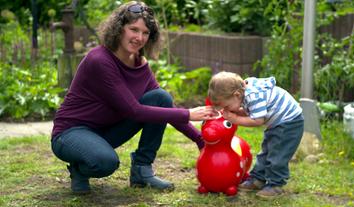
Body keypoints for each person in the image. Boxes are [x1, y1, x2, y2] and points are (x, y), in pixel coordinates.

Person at [51, 1, 216, 194]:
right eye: (134, 29)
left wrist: (200, 140)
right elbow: (133, 110)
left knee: (160, 97)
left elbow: (163, 104)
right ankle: (80, 170)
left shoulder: (139, 63)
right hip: (72, 133)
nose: (139, 37)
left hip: (105, 132)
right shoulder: (100, 60)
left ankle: (142, 170)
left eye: (145, 33)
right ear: (119, 28)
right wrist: (188, 113)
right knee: (106, 163)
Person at [208, 71, 304, 199]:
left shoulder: (253, 96)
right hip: (277, 122)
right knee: (266, 151)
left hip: (289, 123)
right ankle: (258, 179)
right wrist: (236, 113)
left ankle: (275, 185)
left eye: (227, 106)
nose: (227, 109)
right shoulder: (243, 92)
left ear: (236, 94)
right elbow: (252, 111)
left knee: (277, 154)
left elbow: (258, 120)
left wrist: (235, 119)